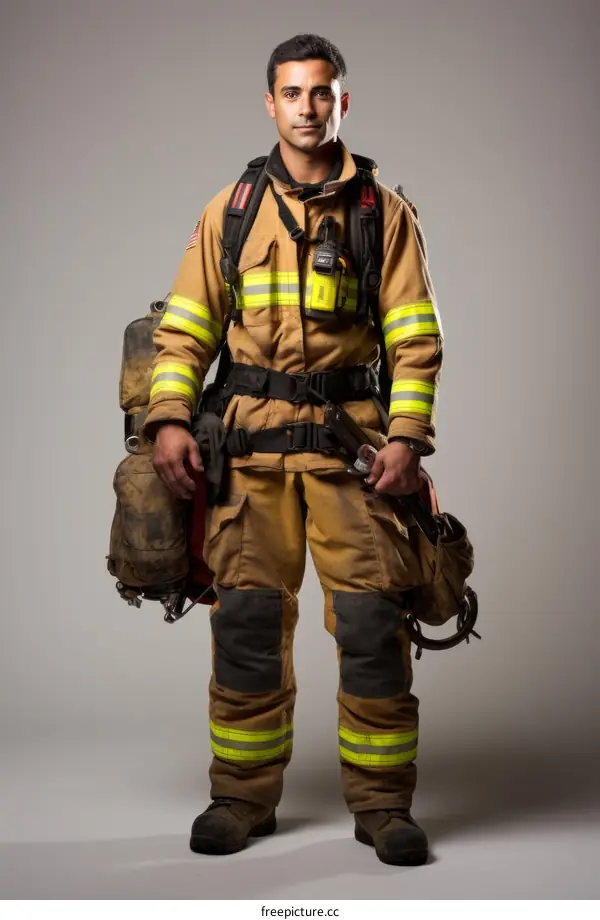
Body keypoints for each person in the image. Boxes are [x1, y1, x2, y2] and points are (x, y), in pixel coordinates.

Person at [143, 33, 443, 867]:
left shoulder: (382, 212)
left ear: (343, 102)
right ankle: (240, 799)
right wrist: (170, 417)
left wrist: (408, 441)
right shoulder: (228, 211)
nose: (308, 108)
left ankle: (384, 806)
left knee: (375, 626)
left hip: (357, 457)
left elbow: (415, 339)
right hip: (247, 459)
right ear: (269, 104)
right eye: (292, 93)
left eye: (323, 93)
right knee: (244, 626)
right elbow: (186, 328)